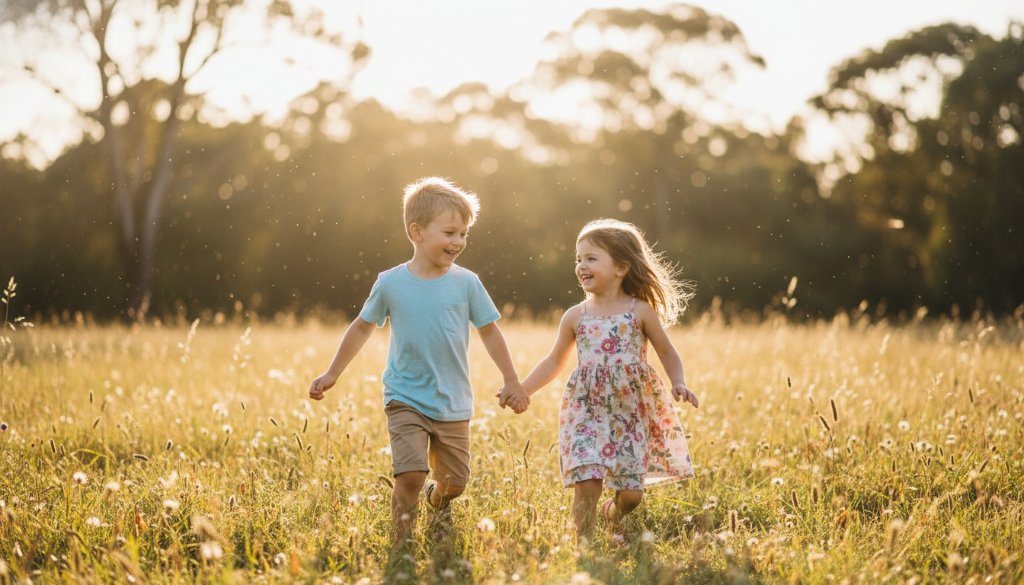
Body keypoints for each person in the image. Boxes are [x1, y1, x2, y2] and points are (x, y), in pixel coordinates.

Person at [309, 176, 529, 546]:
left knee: (455, 484)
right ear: (417, 232)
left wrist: (511, 379)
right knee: (410, 474)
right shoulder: (391, 283)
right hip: (405, 395)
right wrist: (333, 372)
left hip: (453, 400)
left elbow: (490, 331)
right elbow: (363, 327)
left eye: (463, 234)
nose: (458, 242)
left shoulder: (467, 283)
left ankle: (435, 499)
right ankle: (402, 543)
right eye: (450, 233)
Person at [499, 218, 698, 546]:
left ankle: (612, 513)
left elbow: (667, 351)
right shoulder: (576, 316)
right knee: (587, 482)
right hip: (586, 410)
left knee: (632, 495)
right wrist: (523, 388)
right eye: (578, 259)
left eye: (591, 258)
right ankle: (584, 547)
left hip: (629, 413)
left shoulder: (639, 311)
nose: (581, 266)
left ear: (621, 267)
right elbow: (554, 361)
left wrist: (679, 382)